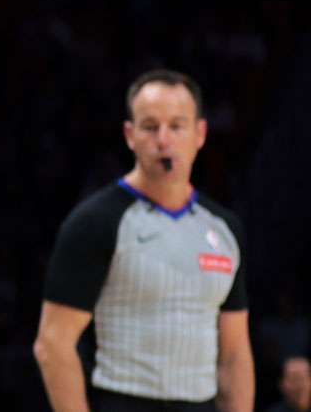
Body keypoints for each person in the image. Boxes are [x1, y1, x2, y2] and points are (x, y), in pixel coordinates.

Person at [34, 69, 253, 412]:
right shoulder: (95, 222)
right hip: (121, 400)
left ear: (200, 133)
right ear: (129, 134)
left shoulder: (225, 229)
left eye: (177, 126)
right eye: (150, 127)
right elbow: (52, 344)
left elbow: (235, 352)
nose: (163, 139)